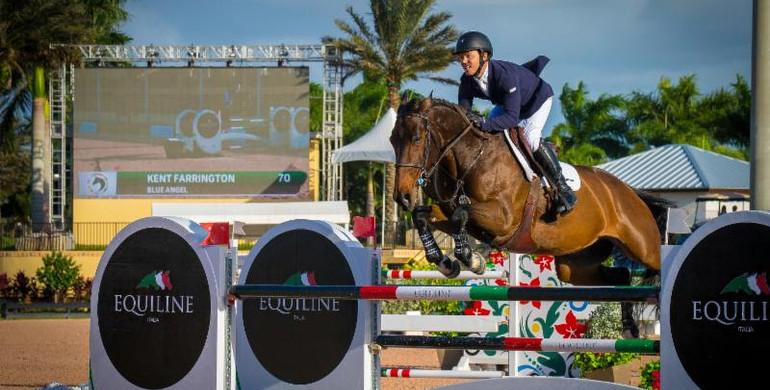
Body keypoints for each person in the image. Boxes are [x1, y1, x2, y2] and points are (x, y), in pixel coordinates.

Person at [454, 31, 576, 216]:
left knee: (531, 136)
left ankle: (564, 188)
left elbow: (511, 119)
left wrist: (484, 122)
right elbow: (464, 116)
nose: (463, 61)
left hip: (537, 100)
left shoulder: (504, 75)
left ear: (484, 55)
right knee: (489, 134)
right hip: (509, 103)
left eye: (468, 56)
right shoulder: (466, 81)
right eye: (461, 57)